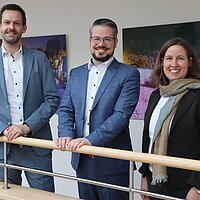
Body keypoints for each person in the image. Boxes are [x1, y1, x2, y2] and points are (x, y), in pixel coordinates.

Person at [56, 18, 140, 200]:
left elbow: (121, 116)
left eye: (107, 39)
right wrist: (65, 133)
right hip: (82, 161)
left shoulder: (129, 74)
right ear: (90, 41)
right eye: (96, 39)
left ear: (116, 42)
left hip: (112, 163)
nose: (101, 44)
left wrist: (88, 141)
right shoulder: (76, 74)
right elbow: (65, 109)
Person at [0, 4, 60, 192]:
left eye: (17, 23)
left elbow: (52, 98)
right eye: (7, 22)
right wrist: (5, 130)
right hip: (3, 148)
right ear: (0, 26)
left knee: (44, 197)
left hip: (36, 146)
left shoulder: (39, 58)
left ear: (24, 28)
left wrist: (25, 127)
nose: (12, 27)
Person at [139, 38, 200, 200]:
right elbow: (148, 138)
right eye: (168, 58)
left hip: (186, 187)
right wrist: (144, 175)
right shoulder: (156, 95)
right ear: (162, 62)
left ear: (189, 62)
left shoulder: (197, 96)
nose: (174, 64)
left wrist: (197, 187)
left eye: (180, 58)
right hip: (155, 181)